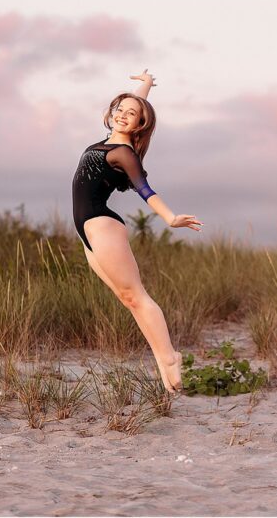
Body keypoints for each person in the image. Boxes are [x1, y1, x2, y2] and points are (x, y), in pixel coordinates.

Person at [71, 69, 202, 394]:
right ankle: (166, 365)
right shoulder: (110, 141)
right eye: (120, 109)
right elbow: (138, 103)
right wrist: (144, 84)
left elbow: (145, 190)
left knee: (136, 296)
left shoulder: (124, 154)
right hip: (87, 230)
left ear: (140, 124)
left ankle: (170, 357)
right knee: (127, 298)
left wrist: (170, 218)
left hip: (103, 225)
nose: (122, 115)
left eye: (131, 115)